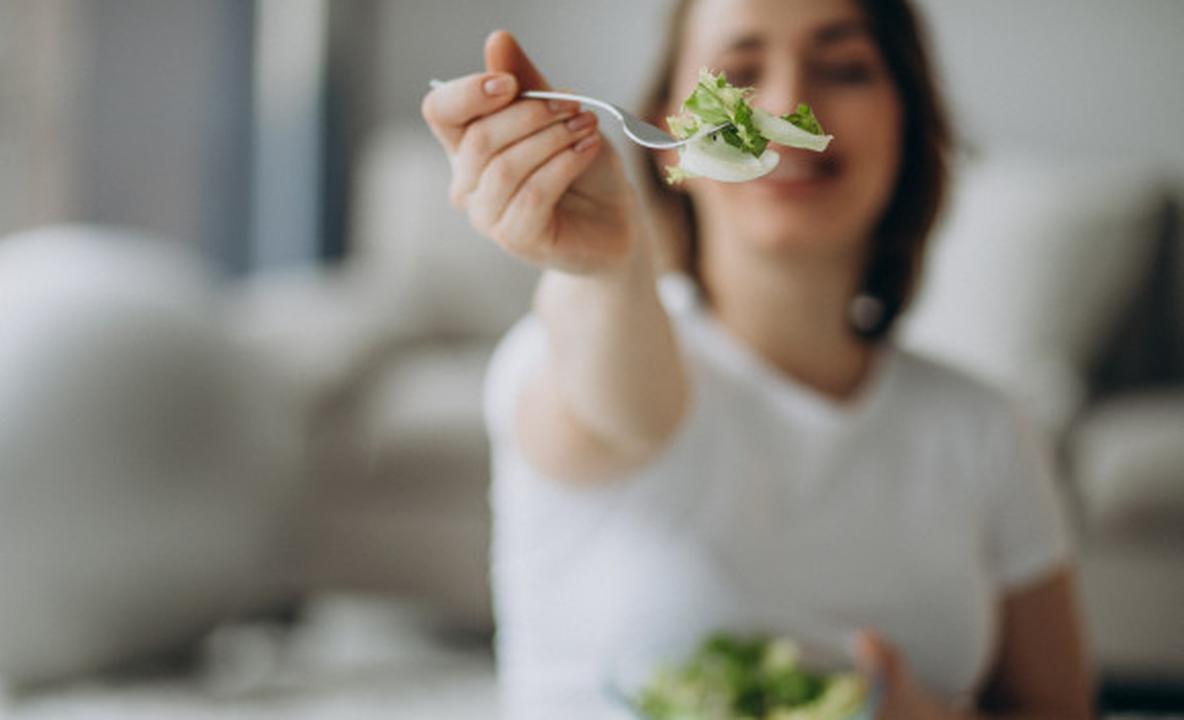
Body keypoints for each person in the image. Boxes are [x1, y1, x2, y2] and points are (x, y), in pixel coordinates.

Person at [421, 1, 1092, 717]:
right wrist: (609, 269)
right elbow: (629, 412)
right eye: (738, 70)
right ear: (667, 129)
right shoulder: (571, 348)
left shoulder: (986, 428)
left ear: (909, 121)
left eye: (844, 68)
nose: (784, 102)